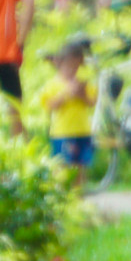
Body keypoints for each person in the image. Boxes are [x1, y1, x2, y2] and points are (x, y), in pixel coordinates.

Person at [35, 35, 97, 178]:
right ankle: (65, 195)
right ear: (60, 64)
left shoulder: (83, 83)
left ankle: (79, 194)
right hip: (62, 133)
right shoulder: (52, 84)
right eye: (69, 67)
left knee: (81, 166)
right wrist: (66, 93)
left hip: (83, 130)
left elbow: (92, 102)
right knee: (62, 168)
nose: (73, 70)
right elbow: (49, 105)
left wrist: (81, 94)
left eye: (76, 67)